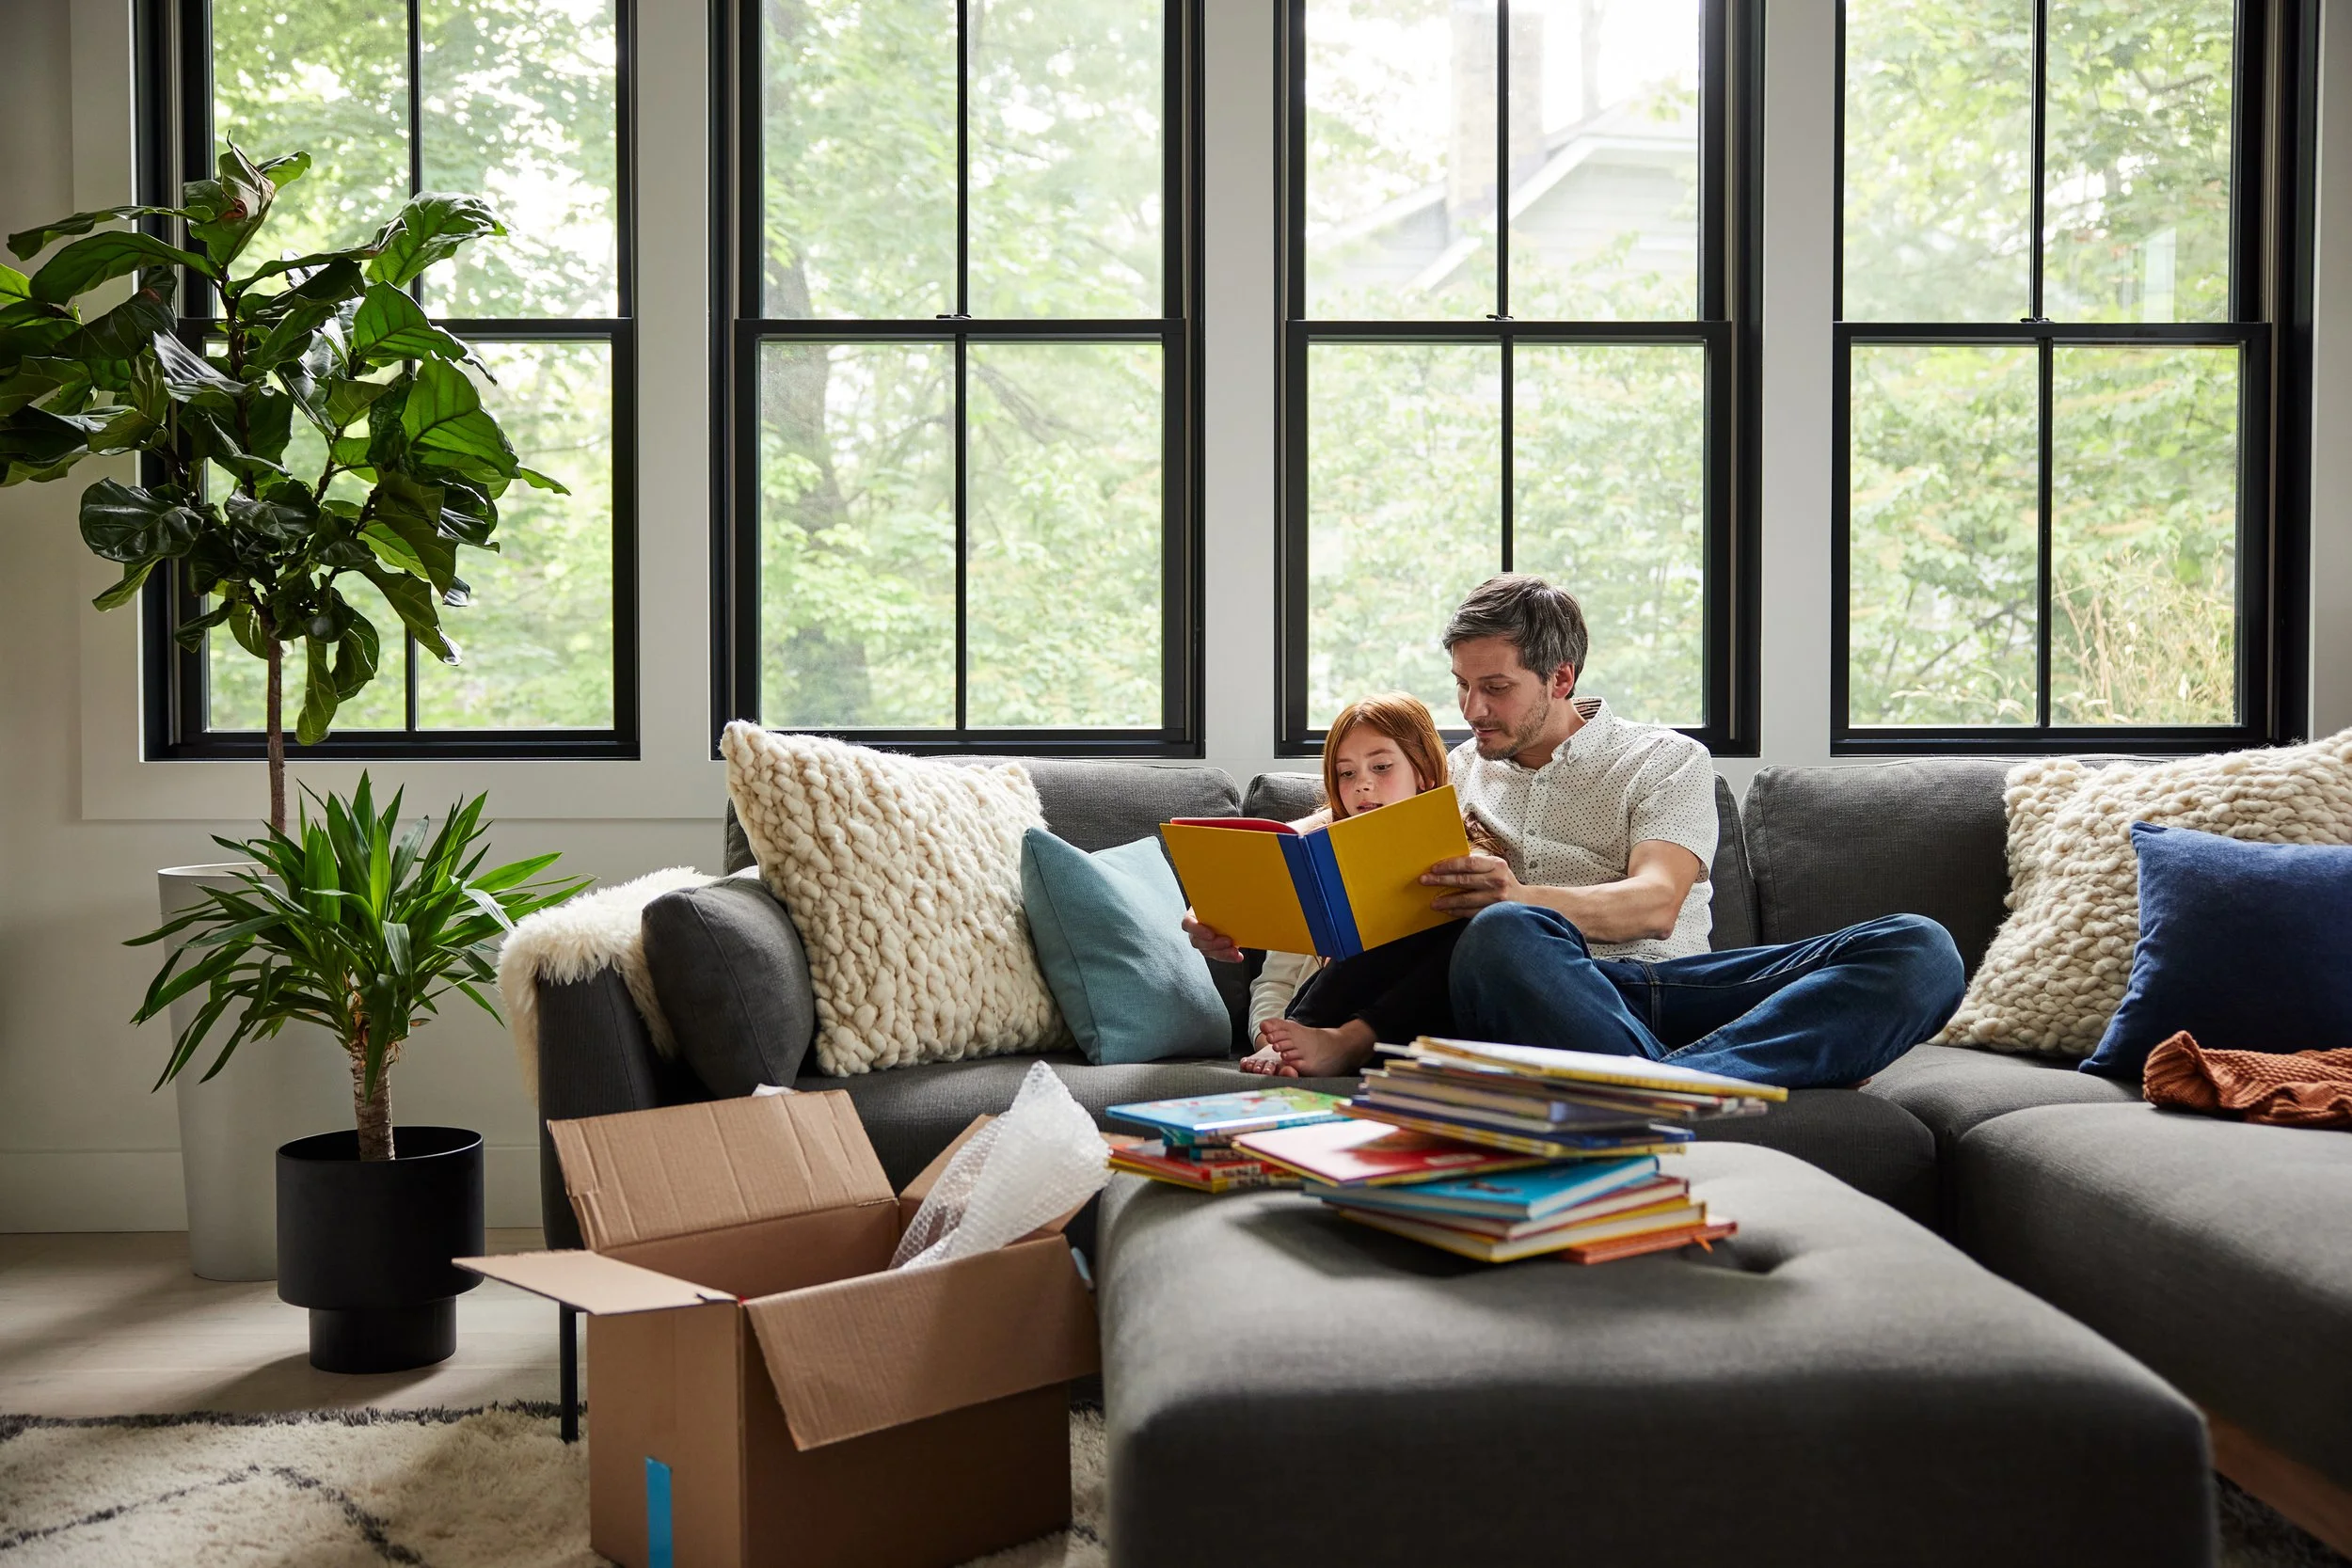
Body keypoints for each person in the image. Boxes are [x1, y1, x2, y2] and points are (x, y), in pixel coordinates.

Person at [1420, 574, 1965, 1089]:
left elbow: (1656, 903)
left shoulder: (1663, 759)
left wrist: (1519, 897)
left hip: (1676, 991)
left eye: (1495, 687)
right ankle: (1719, 1076)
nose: (1473, 709)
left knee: (1921, 949)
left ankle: (1653, 1084)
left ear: (1560, 678)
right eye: (1462, 685)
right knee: (1500, 937)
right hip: (1547, 996)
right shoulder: (1454, 774)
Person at [1183, 693, 1497, 1079]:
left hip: (1415, 1029)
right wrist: (1272, 1042)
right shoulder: (1316, 862)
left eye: (1381, 767)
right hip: (1315, 1013)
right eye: (1346, 773)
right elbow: (1275, 982)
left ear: (1425, 774)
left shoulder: (1472, 861)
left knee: (1464, 917)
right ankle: (1316, 1039)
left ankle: (1344, 1040)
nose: (1363, 784)